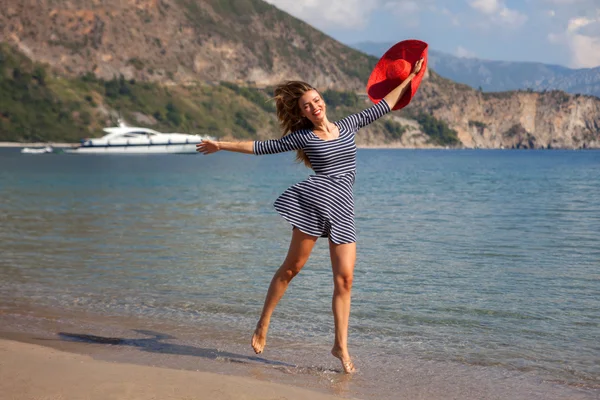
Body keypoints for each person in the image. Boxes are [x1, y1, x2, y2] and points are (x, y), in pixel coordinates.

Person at [197, 58, 424, 373]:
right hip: (314, 204)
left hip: (344, 208)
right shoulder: (302, 137)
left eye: (316, 100)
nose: (314, 106)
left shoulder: (349, 125)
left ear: (323, 102)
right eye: (307, 105)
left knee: (345, 279)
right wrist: (220, 145)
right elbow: (261, 146)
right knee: (292, 269)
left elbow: (385, 104)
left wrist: (410, 77)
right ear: (301, 112)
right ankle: (263, 322)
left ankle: (340, 346)